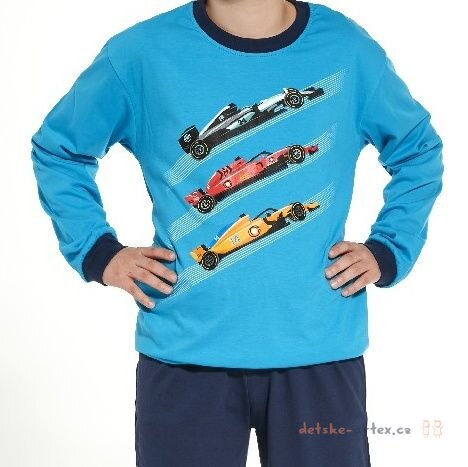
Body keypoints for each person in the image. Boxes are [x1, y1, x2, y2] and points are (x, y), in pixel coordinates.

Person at [30, 0, 444, 465]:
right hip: (186, 354)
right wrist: (98, 251)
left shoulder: (347, 51)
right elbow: (59, 150)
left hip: (318, 349)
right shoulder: (141, 54)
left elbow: (417, 150)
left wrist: (388, 248)